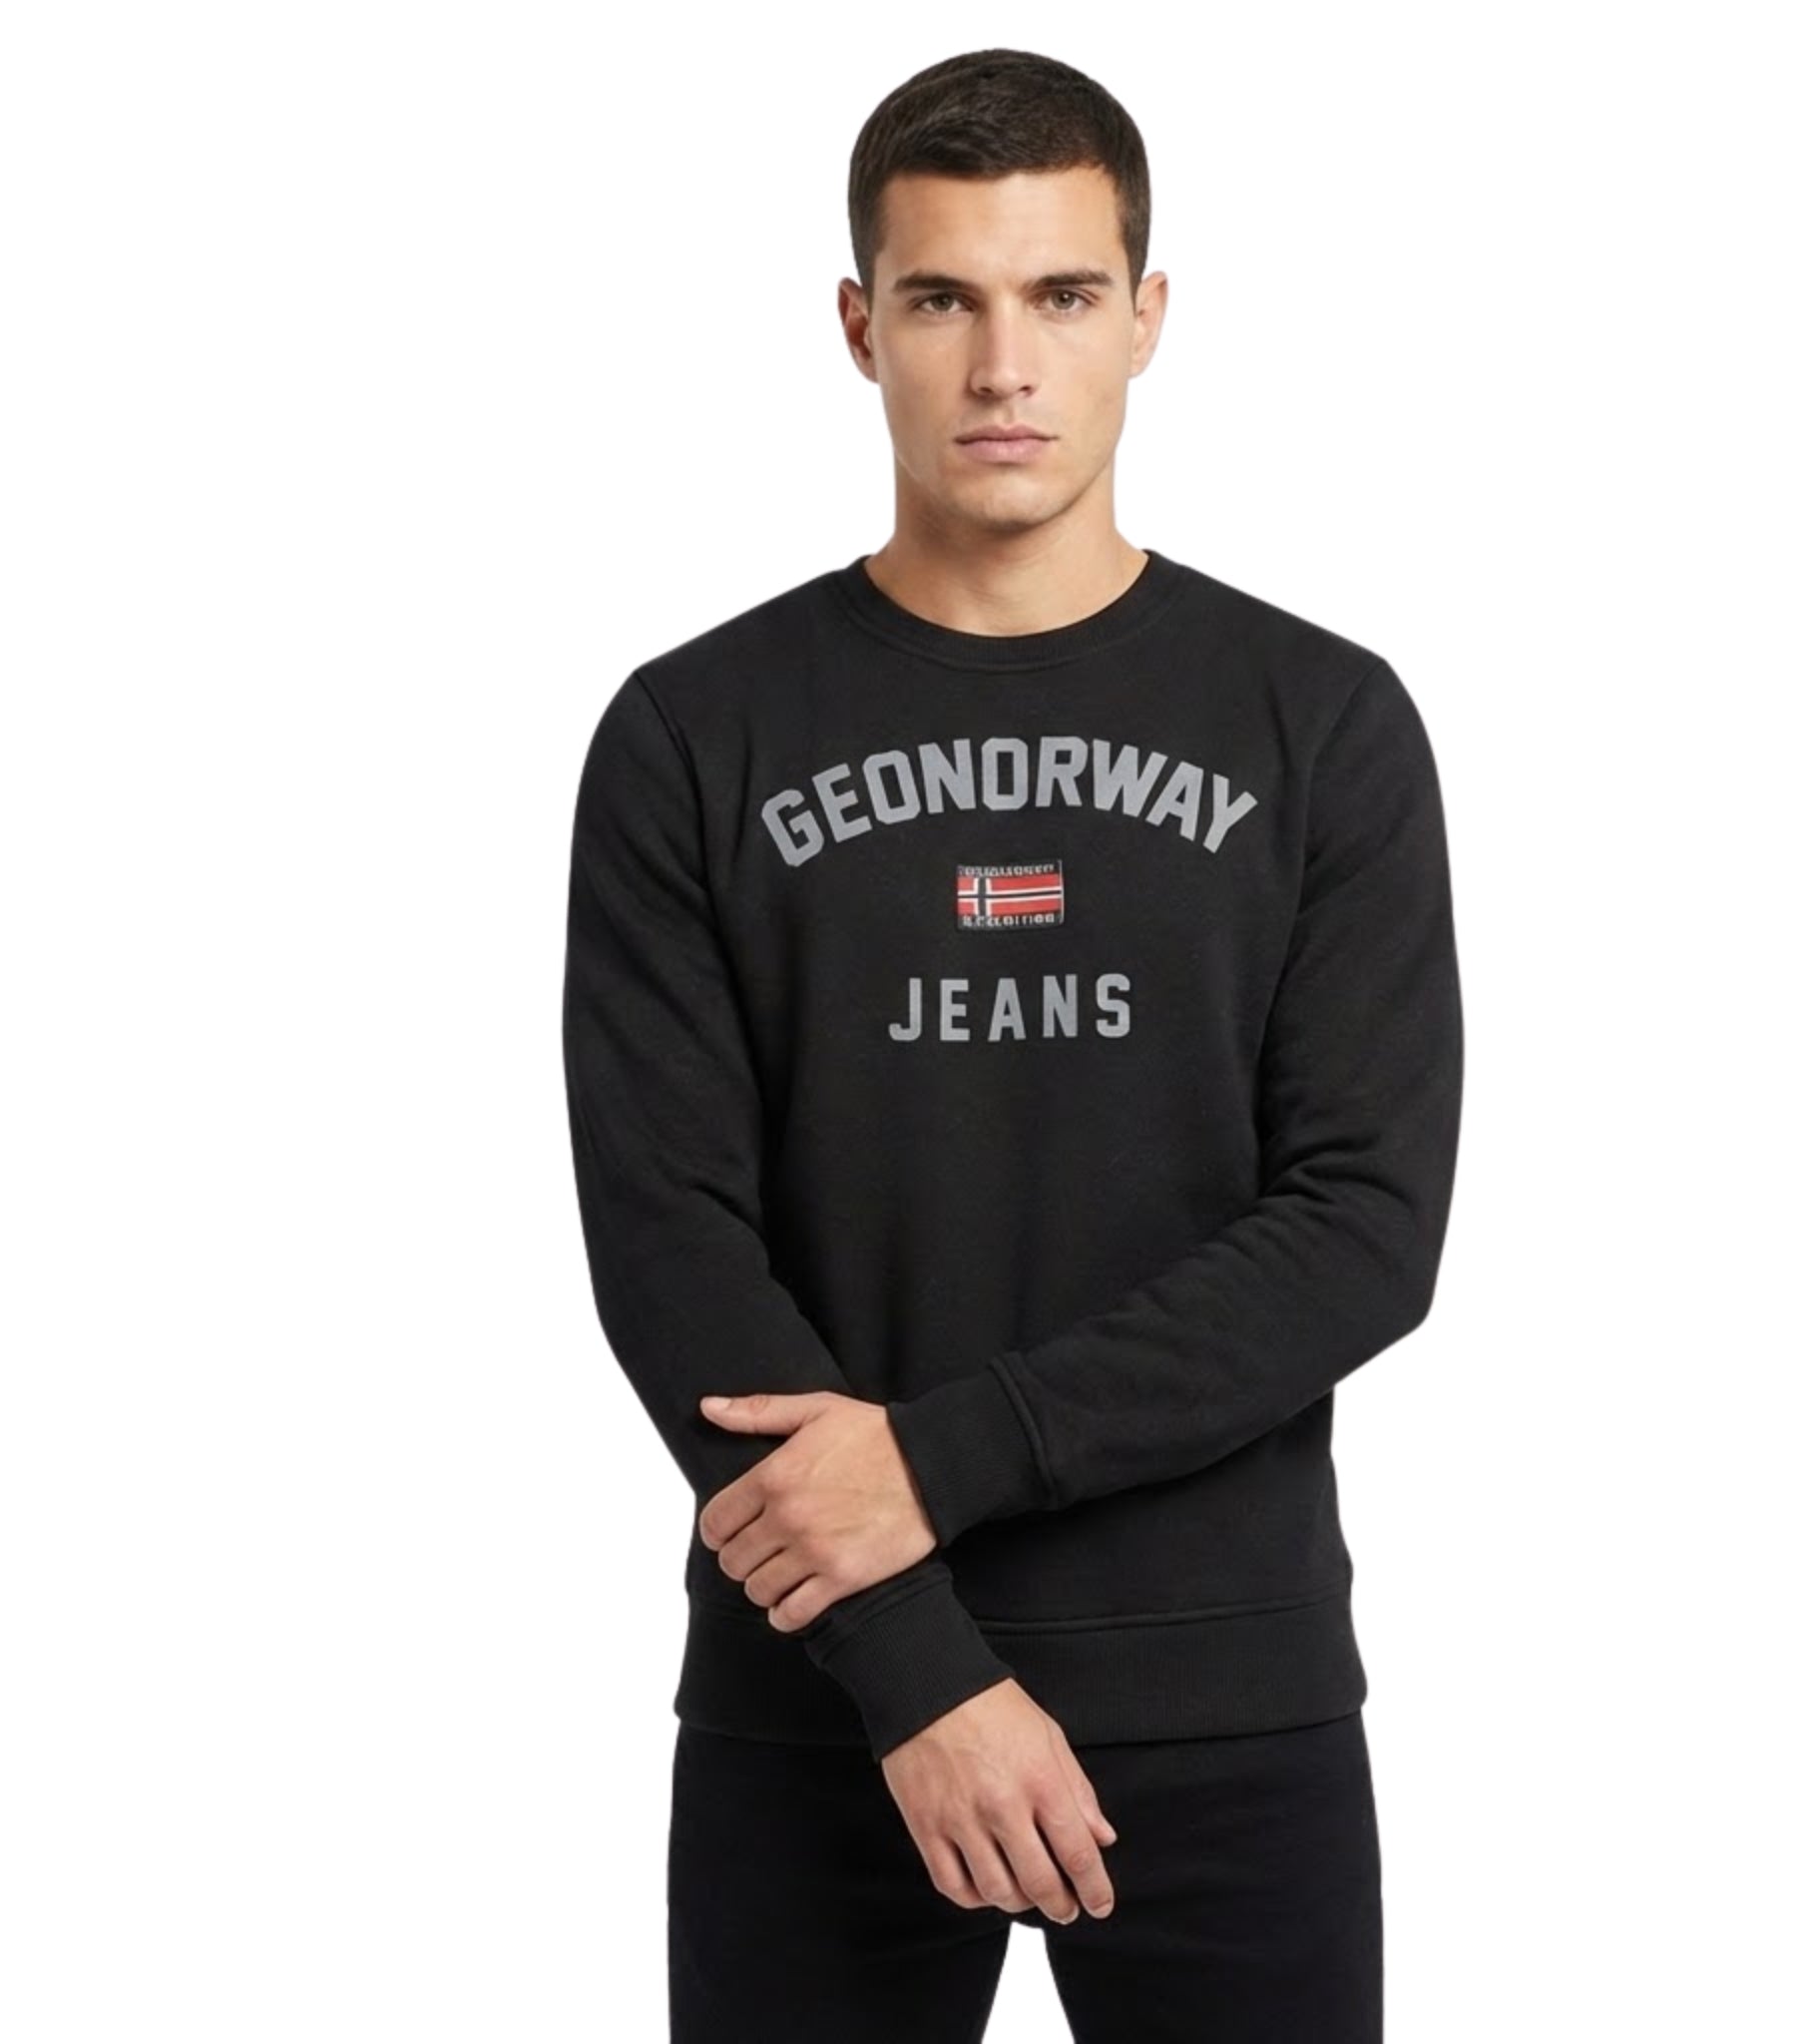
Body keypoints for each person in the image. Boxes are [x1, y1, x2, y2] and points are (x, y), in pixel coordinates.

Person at [560, 44, 1464, 2043]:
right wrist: (918, 1668)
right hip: (823, 1702)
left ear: (1147, 318)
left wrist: (933, 1462)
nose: (1002, 367)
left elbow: (1363, 1227)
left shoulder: (1320, 724)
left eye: (1060, 295)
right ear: (856, 325)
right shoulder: (693, 736)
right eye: (942, 300)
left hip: (1221, 1685)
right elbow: (670, 1247)